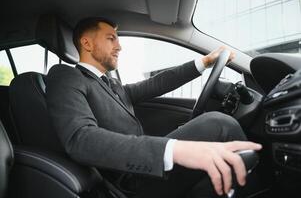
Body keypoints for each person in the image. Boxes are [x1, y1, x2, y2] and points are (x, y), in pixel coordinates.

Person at [46, 17, 262, 198]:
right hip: (127, 182)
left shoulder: (111, 84)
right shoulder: (66, 77)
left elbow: (158, 83)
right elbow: (80, 139)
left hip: (143, 172)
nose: (119, 46)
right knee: (218, 124)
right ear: (87, 43)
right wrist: (172, 149)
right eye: (111, 38)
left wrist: (205, 62)